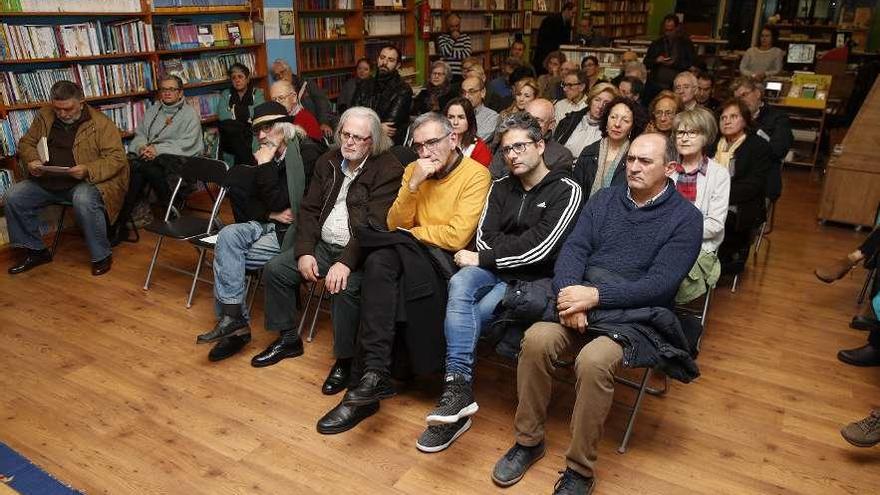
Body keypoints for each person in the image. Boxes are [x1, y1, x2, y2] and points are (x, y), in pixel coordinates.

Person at [490, 132, 702, 494]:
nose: (633, 167)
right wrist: (571, 297)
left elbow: (660, 286)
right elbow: (574, 250)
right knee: (537, 339)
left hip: (634, 314)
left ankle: (580, 470)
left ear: (670, 168)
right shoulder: (605, 199)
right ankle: (528, 441)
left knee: (593, 361)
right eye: (631, 159)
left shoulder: (686, 218)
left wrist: (595, 297)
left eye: (644, 161)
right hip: (580, 301)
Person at [416, 112, 582, 453]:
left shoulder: (567, 190)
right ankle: (457, 388)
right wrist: (487, 258)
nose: (512, 155)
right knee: (460, 283)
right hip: (494, 268)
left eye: (520, 147)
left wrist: (486, 258)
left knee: (479, 309)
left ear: (540, 146)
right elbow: (484, 235)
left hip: (531, 280)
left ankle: (456, 404)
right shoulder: (499, 187)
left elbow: (541, 248)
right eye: (506, 150)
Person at [316, 112, 491, 435]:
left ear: (453, 140)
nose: (425, 153)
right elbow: (394, 223)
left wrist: (412, 234)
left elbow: (455, 237)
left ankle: (366, 380)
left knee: (383, 254)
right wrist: (412, 186)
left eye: (433, 143)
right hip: (405, 251)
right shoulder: (413, 170)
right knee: (380, 259)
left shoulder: (476, 175)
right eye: (419, 145)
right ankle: (374, 375)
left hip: (446, 261)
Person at [250, 107, 404, 394]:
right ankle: (287, 338)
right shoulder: (328, 160)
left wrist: (345, 262)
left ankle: (345, 361)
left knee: (343, 289)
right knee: (276, 269)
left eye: (359, 137)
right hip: (322, 246)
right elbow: (308, 210)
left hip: (360, 252)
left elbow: (375, 223)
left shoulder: (389, 169)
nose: (350, 142)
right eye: (346, 134)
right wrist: (306, 250)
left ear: (373, 141)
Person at [194, 101, 308, 360]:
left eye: (266, 128)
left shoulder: (304, 154)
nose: (261, 136)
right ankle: (234, 321)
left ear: (283, 127)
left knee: (227, 257)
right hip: (268, 223)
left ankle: (236, 328)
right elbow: (250, 201)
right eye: (257, 131)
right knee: (227, 236)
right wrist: (270, 212)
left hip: (290, 232)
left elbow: (285, 202)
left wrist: (265, 168)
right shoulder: (268, 156)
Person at [6, 80, 128, 276]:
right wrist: (32, 160)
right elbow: (26, 143)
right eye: (57, 109)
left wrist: (87, 169)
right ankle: (36, 251)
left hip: (83, 182)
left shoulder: (101, 123)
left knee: (84, 199)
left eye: (68, 109)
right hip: (47, 179)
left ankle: (101, 255)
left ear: (81, 102)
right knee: (14, 196)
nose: (62, 114)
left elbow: (117, 158)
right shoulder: (45, 115)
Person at [112, 75, 203, 246]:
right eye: (163, 89)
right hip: (150, 159)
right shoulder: (153, 110)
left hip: (179, 162)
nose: (167, 93)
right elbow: (140, 135)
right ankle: (171, 209)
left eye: (172, 89)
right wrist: (141, 148)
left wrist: (158, 150)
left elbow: (189, 144)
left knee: (141, 168)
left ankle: (120, 223)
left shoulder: (189, 114)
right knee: (142, 168)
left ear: (180, 92)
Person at [671, 107, 731, 303]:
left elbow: (714, 226)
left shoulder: (719, 174)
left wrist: (674, 232)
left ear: (706, 137)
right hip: (660, 239)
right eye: (680, 132)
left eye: (692, 132)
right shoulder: (667, 169)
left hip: (698, 245)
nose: (684, 138)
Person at [714, 98, 772, 272]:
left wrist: (718, 195)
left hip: (740, 206)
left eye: (733, 116)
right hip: (709, 200)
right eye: (723, 118)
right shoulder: (713, 144)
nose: (727, 121)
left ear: (745, 120)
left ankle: (721, 261)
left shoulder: (758, 146)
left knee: (716, 222)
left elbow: (753, 186)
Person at [730, 76, 792, 202]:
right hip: (735, 178)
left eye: (744, 95)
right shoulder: (731, 118)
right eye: (737, 99)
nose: (742, 101)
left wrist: (751, 124)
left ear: (757, 93)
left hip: (763, 181)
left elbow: (778, 151)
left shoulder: (778, 118)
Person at [572, 96, 648, 197]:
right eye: (613, 117)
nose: (617, 124)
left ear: (632, 127)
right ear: (606, 120)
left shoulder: (636, 158)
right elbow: (575, 191)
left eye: (625, 120)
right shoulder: (589, 152)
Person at [490, 99, 574, 179]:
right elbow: (493, 176)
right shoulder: (509, 145)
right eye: (527, 119)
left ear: (551, 124)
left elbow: (556, 189)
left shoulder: (561, 155)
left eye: (538, 120)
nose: (531, 125)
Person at [352, 44, 413, 145]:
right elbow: (352, 114)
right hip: (359, 136)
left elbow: (389, 127)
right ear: (378, 59)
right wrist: (378, 127)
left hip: (387, 143)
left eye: (391, 60)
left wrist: (362, 124)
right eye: (382, 58)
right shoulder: (364, 84)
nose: (384, 62)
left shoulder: (403, 90)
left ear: (398, 65)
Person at [270, 59, 334, 138]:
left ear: (289, 70)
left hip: (315, 125)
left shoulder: (306, 84)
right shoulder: (278, 93)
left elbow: (322, 103)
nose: (280, 76)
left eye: (282, 72)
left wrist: (324, 123)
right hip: (293, 129)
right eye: (276, 76)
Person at [217, 63, 265, 166]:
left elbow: (259, 112)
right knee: (229, 129)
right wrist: (247, 115)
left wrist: (233, 111)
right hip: (230, 137)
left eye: (240, 76)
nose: (237, 80)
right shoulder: (226, 94)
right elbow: (222, 116)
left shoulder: (257, 93)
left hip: (251, 135)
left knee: (238, 134)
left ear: (247, 79)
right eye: (233, 78)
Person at [554, 82, 619, 158]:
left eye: (606, 103)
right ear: (591, 100)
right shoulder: (570, 120)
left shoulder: (612, 130)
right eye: (597, 100)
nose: (600, 106)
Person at [645, 14, 696, 99]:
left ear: (677, 28)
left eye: (671, 30)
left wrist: (675, 63)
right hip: (656, 84)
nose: (668, 33)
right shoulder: (657, 43)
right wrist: (656, 60)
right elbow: (646, 62)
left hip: (678, 83)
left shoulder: (686, 44)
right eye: (666, 30)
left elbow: (692, 63)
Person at [444, 97, 492, 167]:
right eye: (451, 117)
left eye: (461, 117)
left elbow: (482, 176)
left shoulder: (479, 148)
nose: (455, 122)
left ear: (469, 120)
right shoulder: (438, 143)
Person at [532, 2, 575, 75]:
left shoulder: (567, 23)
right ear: (567, 10)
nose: (573, 16)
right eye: (573, 13)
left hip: (557, 57)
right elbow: (543, 41)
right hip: (545, 57)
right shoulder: (550, 20)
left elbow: (565, 41)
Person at [461, 76, 500, 142]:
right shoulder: (455, 113)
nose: (466, 97)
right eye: (464, 92)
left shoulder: (492, 117)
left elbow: (476, 141)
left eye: (471, 92)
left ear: (483, 93)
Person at [436, 13, 472, 83]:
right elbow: (445, 52)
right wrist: (453, 39)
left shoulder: (466, 37)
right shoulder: (442, 37)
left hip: (461, 75)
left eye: (457, 26)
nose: (455, 29)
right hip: (446, 75)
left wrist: (449, 54)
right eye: (452, 26)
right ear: (447, 25)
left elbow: (467, 55)